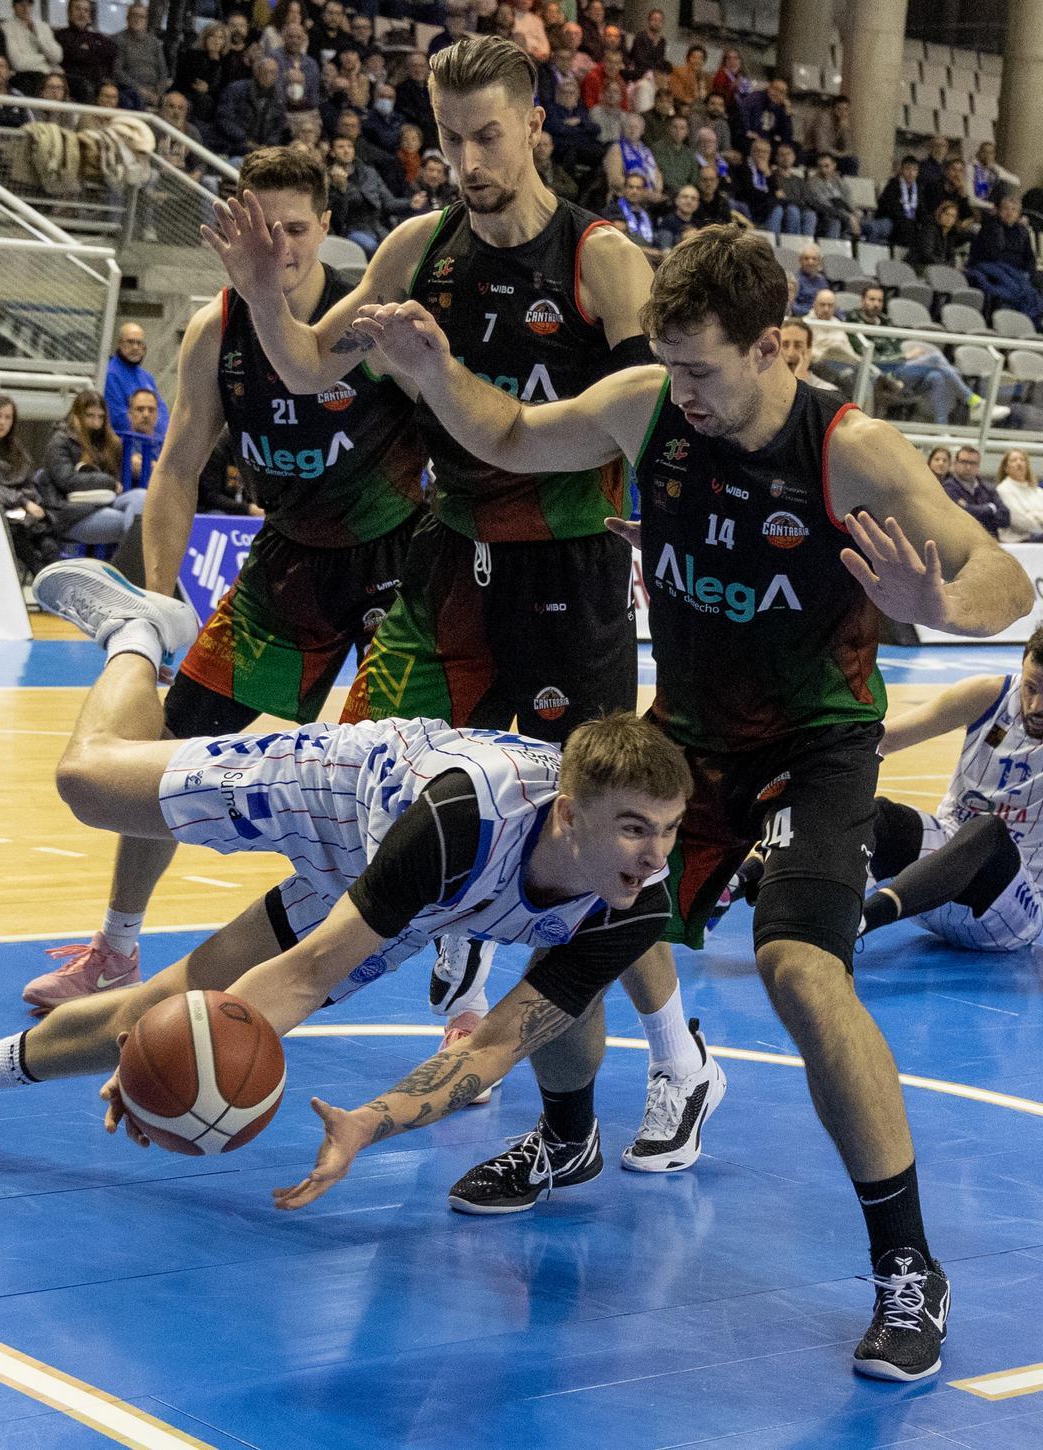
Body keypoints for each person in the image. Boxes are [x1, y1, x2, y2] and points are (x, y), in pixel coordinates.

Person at [356, 222, 1034, 1379]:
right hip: (688, 743)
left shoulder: (851, 448)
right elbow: (514, 433)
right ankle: (567, 1142)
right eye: (672, 366)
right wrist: (433, 373)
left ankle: (909, 1269)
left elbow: (1002, 575)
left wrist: (945, 599)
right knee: (561, 918)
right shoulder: (650, 405)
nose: (687, 392)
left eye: (707, 369)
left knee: (802, 970)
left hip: (815, 746)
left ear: (780, 346)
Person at [200, 41, 693, 1125]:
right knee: (390, 801)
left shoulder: (602, 262)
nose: (467, 160)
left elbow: (656, 423)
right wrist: (259, 294)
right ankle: (457, 966)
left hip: (570, 573)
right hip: (448, 565)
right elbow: (308, 367)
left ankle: (677, 1053)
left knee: (598, 837)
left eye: (488, 136)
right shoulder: (421, 248)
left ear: (535, 128)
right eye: (450, 137)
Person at [0, 562, 690, 1219]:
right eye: (632, 831)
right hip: (339, 794)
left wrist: (365, 1123)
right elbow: (304, 977)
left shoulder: (638, 895)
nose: (654, 857)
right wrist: (181, 1049)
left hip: (415, 893)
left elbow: (492, 1045)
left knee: (159, 1013)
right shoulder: (462, 821)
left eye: (668, 832)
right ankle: (138, 634)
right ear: (571, 816)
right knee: (85, 784)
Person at [21, 147, 429, 1012]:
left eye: (294, 227)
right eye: (260, 226)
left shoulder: (366, 323)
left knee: (400, 780)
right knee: (168, 749)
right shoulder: (216, 331)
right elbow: (175, 471)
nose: (277, 245)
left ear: (325, 228)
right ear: (231, 229)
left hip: (397, 562)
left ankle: (456, 987)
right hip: (287, 566)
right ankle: (118, 948)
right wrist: (164, 594)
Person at [859, 631, 1043, 954]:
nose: (1036, 705)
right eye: (1031, 687)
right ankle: (751, 878)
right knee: (877, 814)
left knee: (987, 830)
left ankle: (865, 919)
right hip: (931, 887)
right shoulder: (988, 695)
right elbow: (882, 740)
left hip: (1010, 912)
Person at [847, 284, 1007, 428]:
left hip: (901, 372)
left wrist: (903, 357)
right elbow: (868, 355)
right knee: (936, 358)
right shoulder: (853, 320)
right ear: (862, 301)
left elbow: (897, 349)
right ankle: (974, 402)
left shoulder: (886, 321)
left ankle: (941, 432)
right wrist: (904, 356)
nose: (876, 304)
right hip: (880, 373)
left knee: (937, 376)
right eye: (872, 299)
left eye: (879, 300)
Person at [35, 390, 147, 545]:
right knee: (129, 524)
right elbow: (68, 481)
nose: (96, 423)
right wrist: (107, 481)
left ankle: (132, 563)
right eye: (90, 416)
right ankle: (133, 565)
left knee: (142, 497)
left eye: (100, 417)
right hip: (71, 512)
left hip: (104, 501)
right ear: (77, 415)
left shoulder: (108, 443)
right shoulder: (60, 441)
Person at [0, 393, 61, 579]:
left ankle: (57, 582)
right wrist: (22, 501)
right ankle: (41, 576)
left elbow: (28, 483)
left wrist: (33, 503)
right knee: (21, 537)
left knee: (49, 538)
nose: (2, 422)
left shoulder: (17, 450)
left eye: (7, 417)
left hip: (22, 509)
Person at [968, 194, 1043, 326]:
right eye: (1006, 209)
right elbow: (991, 255)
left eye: (1014, 210)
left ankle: (1031, 324)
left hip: (1016, 273)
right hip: (991, 268)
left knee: (1033, 290)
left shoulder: (1022, 232)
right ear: (999, 211)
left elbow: (1029, 258)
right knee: (1014, 289)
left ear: (1019, 213)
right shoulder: (990, 227)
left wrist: (1031, 275)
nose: (1010, 212)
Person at [104, 322, 169, 445]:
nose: (135, 347)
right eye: (130, 342)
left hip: (152, 444)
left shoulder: (147, 377)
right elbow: (118, 418)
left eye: (139, 343)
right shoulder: (110, 375)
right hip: (125, 446)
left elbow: (162, 412)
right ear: (119, 344)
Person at [216, 56, 287, 158]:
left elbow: (278, 127)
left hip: (264, 150)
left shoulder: (279, 98)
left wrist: (268, 145)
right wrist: (244, 139)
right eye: (265, 71)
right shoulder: (236, 89)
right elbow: (224, 118)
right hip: (234, 147)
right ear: (257, 72)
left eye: (273, 73)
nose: (269, 76)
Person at [942, 444, 1009, 537]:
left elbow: (1005, 518)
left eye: (973, 463)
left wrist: (970, 507)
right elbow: (962, 517)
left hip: (990, 540)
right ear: (955, 463)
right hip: (962, 540)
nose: (968, 467)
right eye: (964, 462)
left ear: (978, 465)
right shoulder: (947, 487)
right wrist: (990, 509)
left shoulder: (988, 488)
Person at [173, 20, 227, 131]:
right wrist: (213, 60)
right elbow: (194, 83)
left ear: (224, 42)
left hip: (212, 102)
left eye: (220, 38)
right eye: (212, 36)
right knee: (202, 99)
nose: (216, 41)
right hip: (186, 94)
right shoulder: (192, 55)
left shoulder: (226, 61)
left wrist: (209, 89)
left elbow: (221, 88)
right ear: (205, 38)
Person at [55, 0, 114, 102]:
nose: (82, 14)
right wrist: (92, 51)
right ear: (69, 13)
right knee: (85, 87)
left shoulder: (97, 37)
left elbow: (111, 52)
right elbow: (75, 55)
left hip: (98, 82)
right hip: (73, 82)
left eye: (86, 10)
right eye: (77, 9)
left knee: (127, 96)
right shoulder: (60, 35)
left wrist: (86, 50)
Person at [114, 3, 167, 109]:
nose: (137, 19)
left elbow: (163, 71)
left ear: (146, 20)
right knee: (135, 98)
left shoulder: (155, 43)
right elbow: (117, 71)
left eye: (141, 16)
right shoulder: (118, 40)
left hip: (155, 91)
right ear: (127, 18)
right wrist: (141, 90)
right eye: (134, 15)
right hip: (131, 89)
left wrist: (159, 92)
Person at [602, 109, 662, 201]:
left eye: (636, 127)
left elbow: (657, 175)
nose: (632, 130)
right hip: (624, 197)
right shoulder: (616, 149)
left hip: (649, 197)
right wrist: (644, 192)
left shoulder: (646, 151)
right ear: (623, 129)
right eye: (629, 127)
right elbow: (615, 180)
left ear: (642, 131)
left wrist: (657, 191)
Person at [2, 0, 62, 86]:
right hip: (27, 76)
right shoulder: (7, 28)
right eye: (21, 4)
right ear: (13, 6)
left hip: (50, 75)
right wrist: (45, 59)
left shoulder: (43, 27)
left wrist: (38, 36)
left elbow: (57, 57)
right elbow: (18, 63)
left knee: (80, 84)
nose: (26, 8)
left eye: (29, 4)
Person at [995, 447, 1043, 541]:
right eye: (1014, 460)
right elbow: (1018, 521)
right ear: (1006, 468)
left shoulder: (1038, 491)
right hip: (1019, 542)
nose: (1019, 463)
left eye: (1022, 460)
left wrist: (1034, 515)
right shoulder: (1003, 489)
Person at [779, 314, 836, 391]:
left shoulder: (826, 391)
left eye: (798, 346)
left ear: (809, 350)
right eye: (785, 345)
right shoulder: (765, 385)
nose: (790, 353)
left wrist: (799, 384)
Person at [802, 95, 857, 175]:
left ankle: (845, 186)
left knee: (853, 160)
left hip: (832, 154)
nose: (843, 112)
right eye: (839, 109)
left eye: (846, 109)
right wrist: (841, 155)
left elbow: (849, 149)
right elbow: (822, 147)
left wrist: (844, 130)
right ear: (833, 109)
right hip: (813, 152)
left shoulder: (845, 122)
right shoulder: (824, 119)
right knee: (849, 162)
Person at [875, 155, 921, 250]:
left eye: (914, 170)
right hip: (892, 220)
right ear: (901, 170)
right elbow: (890, 208)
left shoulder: (918, 190)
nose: (911, 173)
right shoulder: (893, 185)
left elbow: (921, 211)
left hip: (908, 223)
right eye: (907, 169)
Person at [907, 198, 963, 271]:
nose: (949, 218)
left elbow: (951, 257)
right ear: (940, 214)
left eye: (952, 216)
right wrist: (945, 265)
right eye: (947, 214)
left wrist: (947, 265)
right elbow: (926, 255)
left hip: (937, 268)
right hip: (919, 267)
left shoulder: (950, 235)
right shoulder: (930, 229)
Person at [651, 112, 697, 197]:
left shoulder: (690, 154)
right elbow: (665, 175)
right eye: (674, 127)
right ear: (668, 128)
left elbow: (694, 179)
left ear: (687, 132)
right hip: (666, 193)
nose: (678, 131)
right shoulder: (658, 148)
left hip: (686, 195)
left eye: (682, 128)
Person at [626, 6, 665, 80]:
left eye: (660, 21)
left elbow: (660, 60)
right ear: (649, 21)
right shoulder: (641, 36)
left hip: (654, 74)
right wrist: (653, 70)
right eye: (654, 20)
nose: (657, 23)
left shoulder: (662, 41)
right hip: (639, 72)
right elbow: (639, 59)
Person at [656, 183, 698, 249]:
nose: (689, 201)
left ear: (697, 204)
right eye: (685, 197)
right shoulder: (667, 222)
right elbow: (665, 251)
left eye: (693, 198)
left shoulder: (698, 223)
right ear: (677, 200)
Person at [790, 242, 829, 316]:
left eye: (814, 259)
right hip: (803, 318)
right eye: (806, 258)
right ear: (800, 261)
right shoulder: (794, 280)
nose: (810, 262)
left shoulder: (822, 281)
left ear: (819, 262)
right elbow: (791, 305)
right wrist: (811, 313)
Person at [667, 43, 706, 109]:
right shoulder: (678, 72)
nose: (697, 61)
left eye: (700, 58)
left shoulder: (702, 76)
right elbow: (679, 96)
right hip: (679, 108)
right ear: (688, 59)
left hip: (696, 109)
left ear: (703, 61)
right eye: (694, 57)